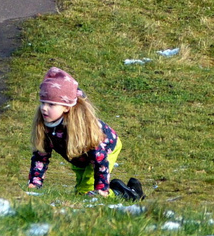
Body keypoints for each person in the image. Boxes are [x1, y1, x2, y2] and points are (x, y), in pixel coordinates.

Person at [27, 67, 144, 200]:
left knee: (88, 194)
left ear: (66, 107)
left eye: (51, 104)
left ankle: (124, 195)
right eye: (43, 103)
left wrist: (102, 188)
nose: (44, 108)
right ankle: (130, 190)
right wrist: (34, 184)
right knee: (80, 193)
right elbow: (41, 156)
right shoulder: (46, 125)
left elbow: (100, 159)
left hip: (104, 149)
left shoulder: (82, 128)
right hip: (79, 157)